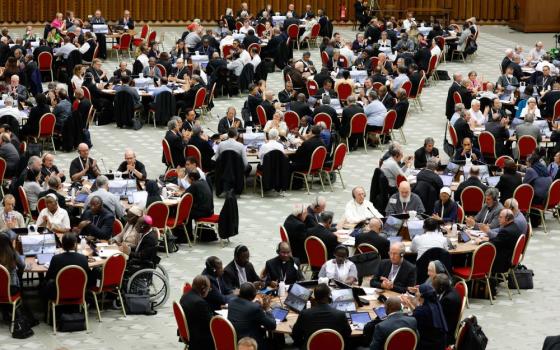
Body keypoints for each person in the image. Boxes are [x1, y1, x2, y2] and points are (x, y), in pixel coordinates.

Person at [292, 283, 352, 348]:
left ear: (314, 296)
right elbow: (347, 334)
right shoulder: (340, 315)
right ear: (329, 296)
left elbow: (296, 334)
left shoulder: (305, 314)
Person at [43, 233, 96, 300]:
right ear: (75, 244)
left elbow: (48, 277)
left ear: (62, 245)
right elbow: (88, 277)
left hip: (58, 292)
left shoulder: (56, 258)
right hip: (79, 291)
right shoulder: (83, 258)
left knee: (45, 283)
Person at [228, 282, 276, 349]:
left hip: (237, 341)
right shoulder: (255, 308)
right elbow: (272, 325)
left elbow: (246, 306)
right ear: (254, 295)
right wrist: (267, 308)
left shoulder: (231, 302)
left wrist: (255, 304)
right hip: (251, 343)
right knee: (275, 343)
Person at [474, 209, 522, 274]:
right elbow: (500, 241)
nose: (498, 219)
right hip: (508, 257)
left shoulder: (506, 231)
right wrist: (488, 239)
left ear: (507, 218)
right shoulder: (515, 226)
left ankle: (476, 279)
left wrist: (480, 242)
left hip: (501, 262)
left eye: (501, 217)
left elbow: (492, 245)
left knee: (474, 255)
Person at [400, 284, 448, 350]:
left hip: (428, 346)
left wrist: (405, 306)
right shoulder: (435, 303)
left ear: (421, 296)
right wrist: (410, 304)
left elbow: (407, 321)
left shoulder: (422, 311)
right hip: (440, 342)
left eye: (417, 291)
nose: (415, 293)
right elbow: (418, 312)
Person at [179, 275, 215, 350]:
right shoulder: (200, 303)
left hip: (189, 330)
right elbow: (211, 323)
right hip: (199, 338)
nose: (209, 291)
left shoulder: (185, 296)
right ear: (203, 289)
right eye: (209, 289)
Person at [184, 171, 214, 243]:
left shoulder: (194, 184)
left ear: (192, 178)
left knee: (186, 213)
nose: (187, 180)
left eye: (188, 178)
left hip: (203, 212)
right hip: (210, 210)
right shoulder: (203, 181)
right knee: (190, 210)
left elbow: (184, 195)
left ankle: (188, 236)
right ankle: (190, 234)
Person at [432, 274, 461, 345]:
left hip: (445, 334)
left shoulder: (448, 300)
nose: (433, 289)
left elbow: (438, 318)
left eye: (435, 287)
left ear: (441, 287)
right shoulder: (449, 289)